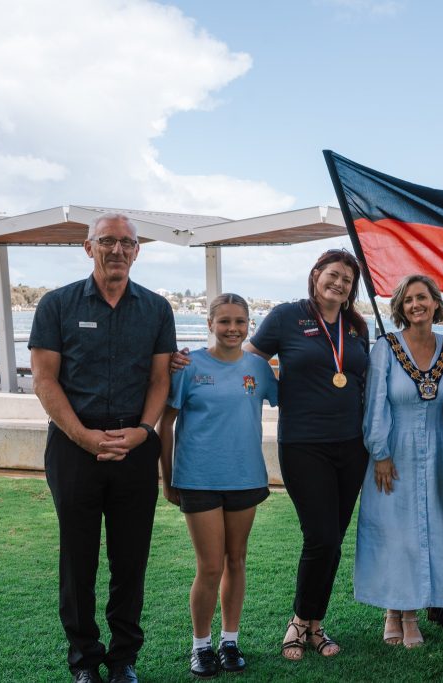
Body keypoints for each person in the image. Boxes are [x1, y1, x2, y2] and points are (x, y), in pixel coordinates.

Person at [175, 249, 370, 662]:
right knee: (320, 537)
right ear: (316, 275)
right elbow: (245, 361)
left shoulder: (356, 326)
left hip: (352, 446)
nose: (339, 284)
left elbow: (362, 378)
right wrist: (189, 360)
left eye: (347, 280)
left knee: (333, 542)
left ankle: (315, 625)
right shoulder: (286, 317)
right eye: (332, 275)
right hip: (304, 445)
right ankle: (299, 622)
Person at [30, 213, 175, 683]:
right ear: (88, 247)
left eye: (126, 243)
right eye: (107, 241)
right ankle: (85, 661)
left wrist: (143, 431)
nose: (118, 250)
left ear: (138, 251)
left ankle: (123, 659)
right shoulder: (56, 304)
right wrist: (84, 437)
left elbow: (159, 378)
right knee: (78, 557)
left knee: (130, 559)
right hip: (74, 447)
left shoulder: (156, 309)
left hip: (134, 447)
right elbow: (44, 380)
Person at [158, 294, 278, 678]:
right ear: (209, 324)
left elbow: (295, 401)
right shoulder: (189, 365)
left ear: (249, 326)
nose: (232, 329)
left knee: (236, 560)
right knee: (209, 566)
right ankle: (201, 645)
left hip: (245, 477)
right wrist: (167, 476)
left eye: (240, 322)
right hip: (198, 479)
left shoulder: (259, 369)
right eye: (224, 321)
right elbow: (166, 424)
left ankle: (230, 641)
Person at [354, 274, 443, 648]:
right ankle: (393, 610)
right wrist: (379, 453)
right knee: (393, 532)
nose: (416, 304)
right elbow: (376, 402)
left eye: (423, 297)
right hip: (394, 448)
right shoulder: (386, 346)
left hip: (437, 449)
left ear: (435, 302)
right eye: (408, 300)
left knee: (429, 529)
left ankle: (412, 613)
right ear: (400, 308)